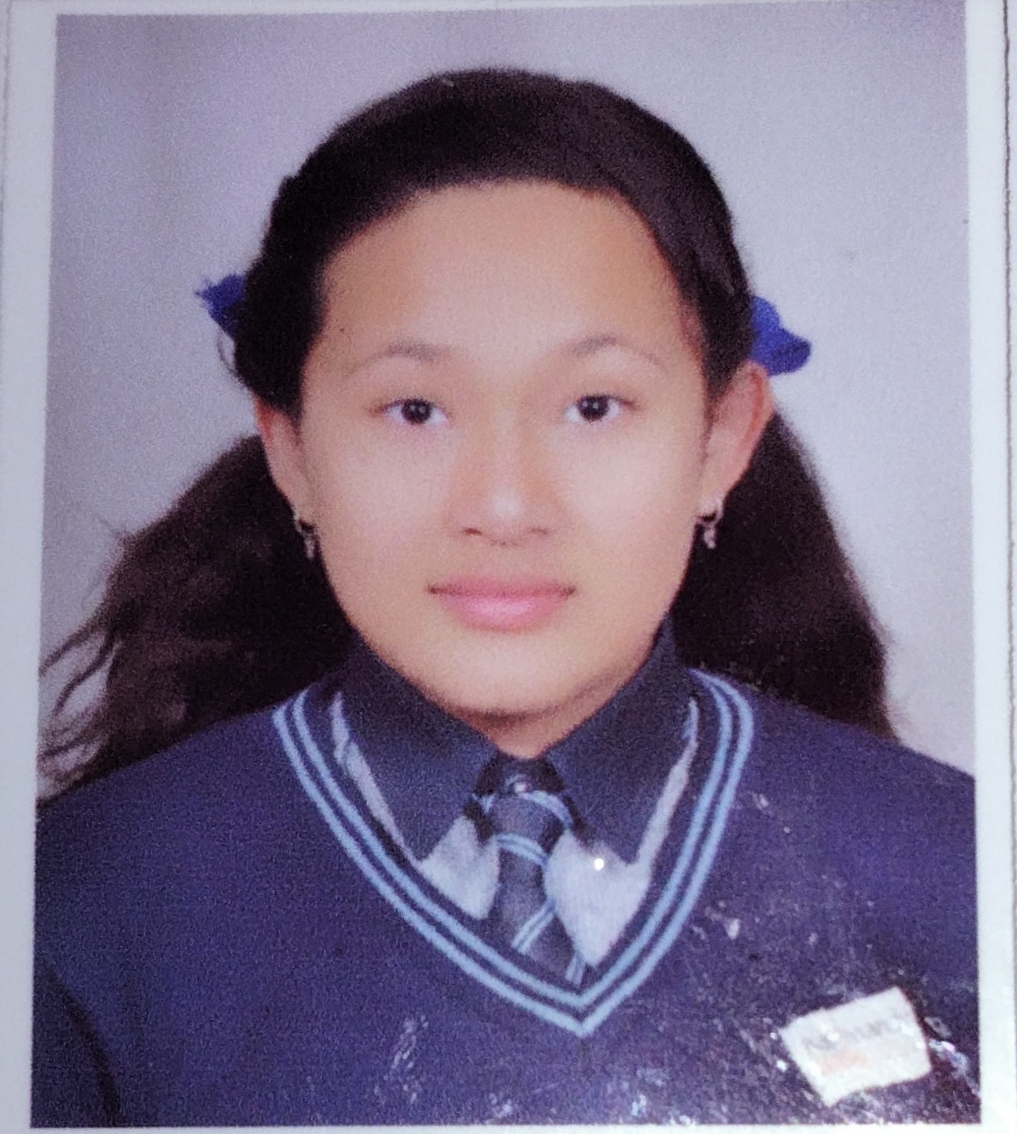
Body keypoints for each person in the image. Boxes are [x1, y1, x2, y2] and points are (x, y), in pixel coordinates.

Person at [32, 69, 977, 1126]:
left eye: (593, 405)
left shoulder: (960, 867)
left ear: (720, 439)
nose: (503, 505)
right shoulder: (78, 907)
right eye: (416, 410)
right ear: (290, 448)